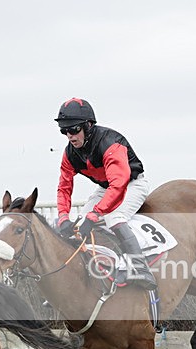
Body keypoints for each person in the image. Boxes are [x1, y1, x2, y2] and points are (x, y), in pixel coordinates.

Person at [53, 97, 156, 289]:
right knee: (79, 225)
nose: (69, 135)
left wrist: (95, 215)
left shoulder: (109, 143)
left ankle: (141, 269)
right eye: (64, 131)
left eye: (74, 129)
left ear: (88, 126)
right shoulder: (69, 154)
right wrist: (63, 217)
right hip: (105, 187)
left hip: (131, 184)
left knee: (114, 217)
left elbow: (119, 184)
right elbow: (64, 188)